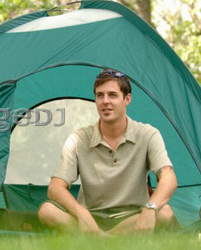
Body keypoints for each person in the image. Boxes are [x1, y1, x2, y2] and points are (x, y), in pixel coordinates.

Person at [38, 69, 180, 235]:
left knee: (165, 212)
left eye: (112, 95)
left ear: (127, 99)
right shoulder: (79, 139)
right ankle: (109, 239)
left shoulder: (148, 134)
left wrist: (150, 208)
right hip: (91, 217)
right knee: (46, 211)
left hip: (132, 217)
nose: (105, 101)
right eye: (100, 95)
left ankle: (100, 240)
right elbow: (55, 188)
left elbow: (169, 178)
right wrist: (81, 212)